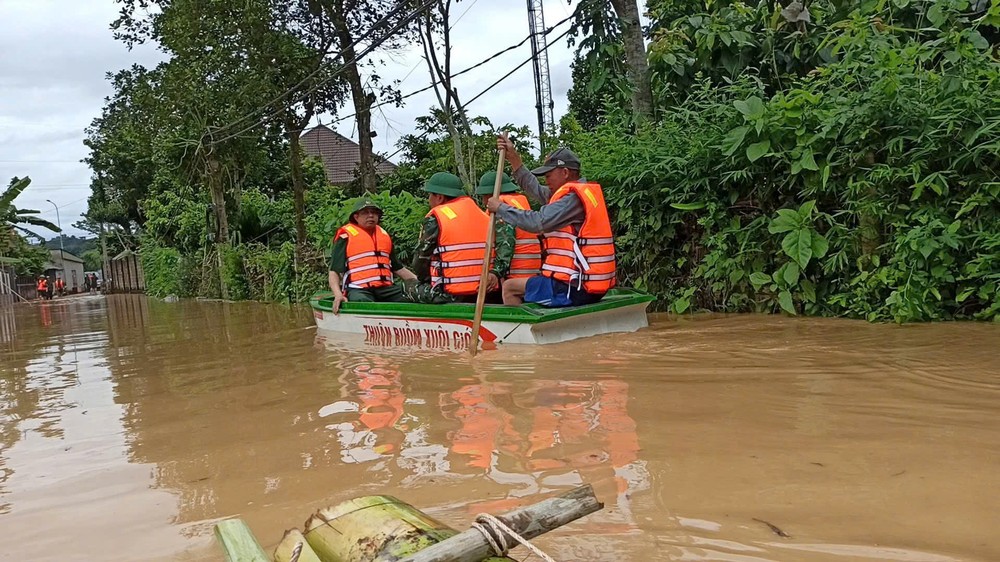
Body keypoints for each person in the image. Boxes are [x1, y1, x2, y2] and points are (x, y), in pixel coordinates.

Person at [486, 139, 616, 307]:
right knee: (537, 279)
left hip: (572, 288)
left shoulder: (572, 200)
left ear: (565, 172)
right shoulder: (576, 195)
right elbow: (537, 190)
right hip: (586, 285)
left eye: (548, 175)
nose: (546, 180)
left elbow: (538, 222)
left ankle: (519, 332)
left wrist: (501, 208)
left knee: (509, 287)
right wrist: (515, 160)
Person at [407, 172, 499, 304]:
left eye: (430, 195)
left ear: (439, 197)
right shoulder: (484, 215)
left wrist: (425, 280)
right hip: (487, 292)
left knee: (408, 286)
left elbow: (420, 261)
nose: (429, 200)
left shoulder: (436, 218)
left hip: (451, 295)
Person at [328, 197, 417, 314]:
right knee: (362, 302)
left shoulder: (384, 236)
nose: (371, 216)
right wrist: (338, 295)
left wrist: (418, 283)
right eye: (365, 212)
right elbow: (334, 270)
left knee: (416, 294)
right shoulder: (345, 237)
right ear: (356, 217)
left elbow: (398, 268)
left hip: (385, 289)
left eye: (374, 212)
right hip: (358, 289)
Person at [475, 171, 542, 282]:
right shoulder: (520, 202)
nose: (483, 201)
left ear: (492, 195)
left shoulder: (501, 208)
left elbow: (505, 244)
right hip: (533, 273)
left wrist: (496, 272)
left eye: (484, 196)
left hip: (514, 276)